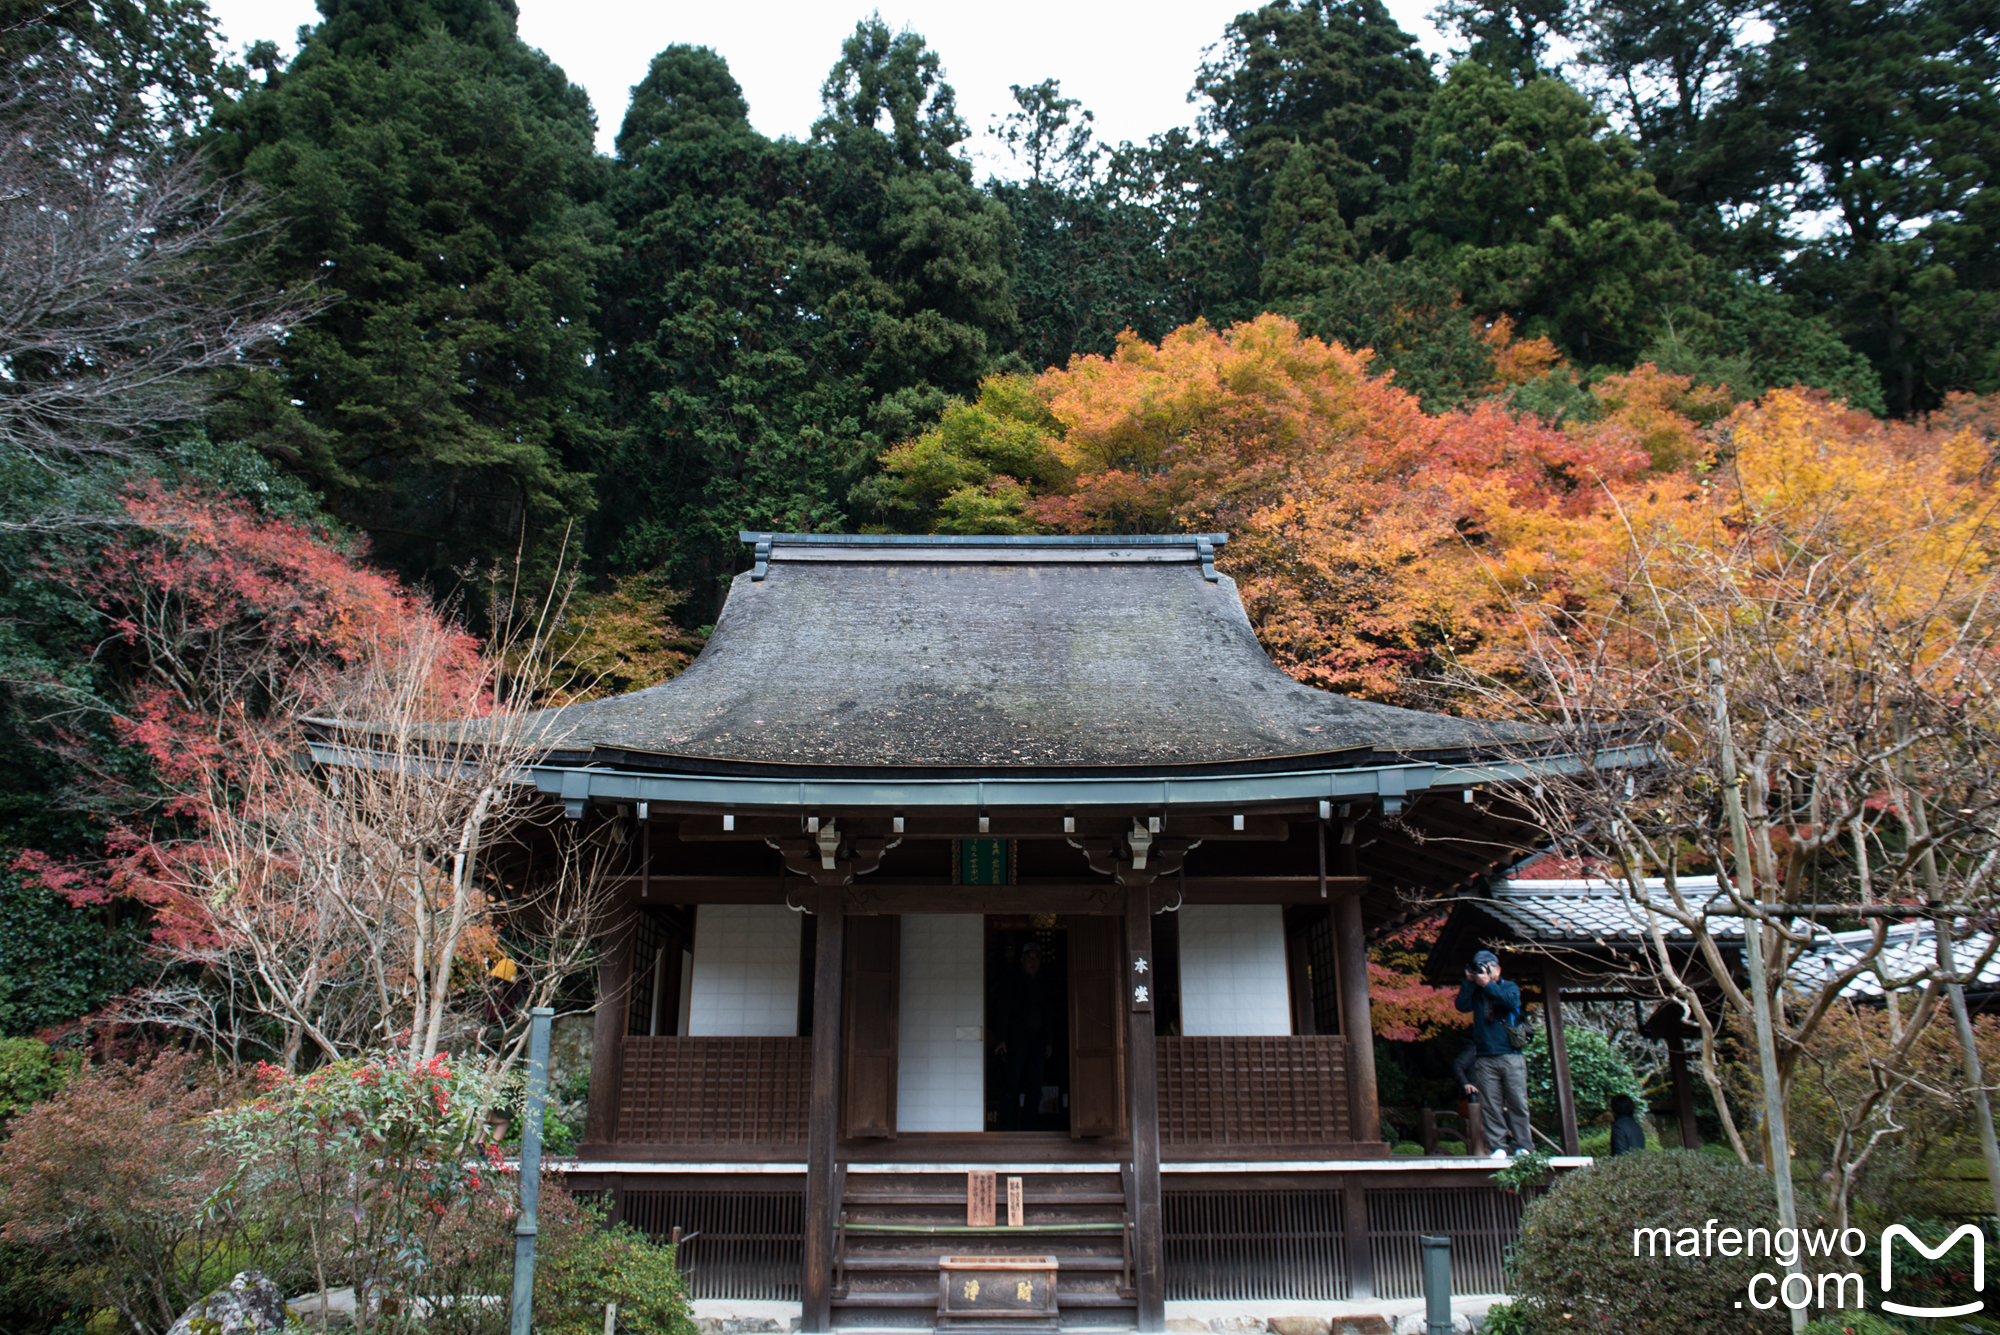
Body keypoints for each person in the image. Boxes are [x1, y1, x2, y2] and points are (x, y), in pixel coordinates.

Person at [1455, 949, 1532, 1158]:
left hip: (1511, 1054)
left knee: (1517, 1101)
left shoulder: (1509, 987)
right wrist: (1470, 982)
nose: (1482, 971)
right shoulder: (1476, 991)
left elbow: (1510, 1002)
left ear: (1497, 969)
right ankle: (1498, 1146)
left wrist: (1488, 985)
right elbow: (1460, 1006)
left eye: (1486, 967)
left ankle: (1522, 1145)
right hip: (1484, 1056)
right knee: (1490, 1103)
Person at [994, 942, 1052, 1131]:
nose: (1033, 962)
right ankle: (1007, 1129)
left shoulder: (1043, 983)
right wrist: (1001, 1039)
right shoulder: (1012, 980)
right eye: (1029, 957)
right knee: (1012, 1085)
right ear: (1022, 960)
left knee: (1035, 1087)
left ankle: (1028, 1127)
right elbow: (1002, 1010)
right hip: (1016, 1040)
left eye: (1037, 958)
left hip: (1037, 1040)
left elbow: (1049, 1014)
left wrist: (1048, 1040)